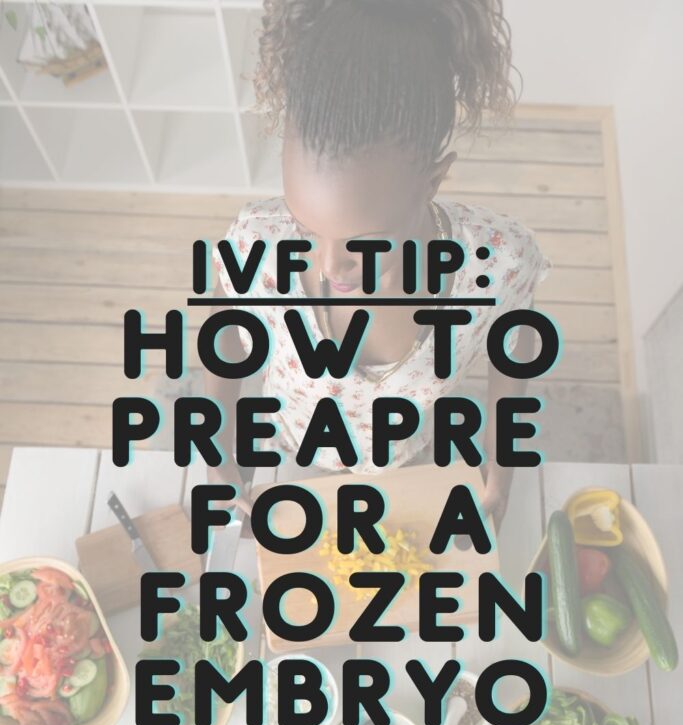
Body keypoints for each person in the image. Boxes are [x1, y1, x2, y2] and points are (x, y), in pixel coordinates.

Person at [207, 0, 550, 529]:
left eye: (364, 240)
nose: (330, 265)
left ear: (432, 181)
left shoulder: (496, 265)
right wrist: (220, 457)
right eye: (306, 225)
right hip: (296, 449)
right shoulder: (257, 248)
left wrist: (498, 475)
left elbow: (517, 347)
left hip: (417, 452)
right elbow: (225, 334)